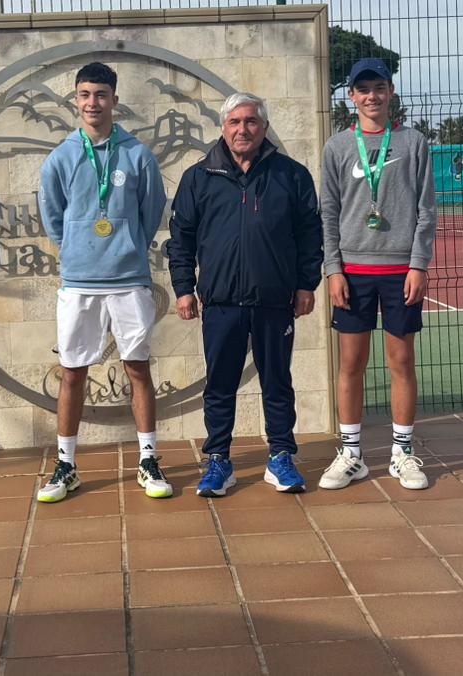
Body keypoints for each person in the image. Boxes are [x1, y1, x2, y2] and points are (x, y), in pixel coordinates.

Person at [168, 93, 322, 496]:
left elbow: (310, 235)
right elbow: (180, 239)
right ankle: (219, 460)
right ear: (223, 127)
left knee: (277, 383)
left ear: (264, 127)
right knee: (220, 386)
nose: (243, 129)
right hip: (221, 303)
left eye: (251, 121)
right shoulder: (198, 177)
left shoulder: (291, 175)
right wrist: (184, 289)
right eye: (235, 122)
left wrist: (306, 284)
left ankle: (281, 457)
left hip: (275, 301)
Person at [36, 62, 171, 502]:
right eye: (84, 95)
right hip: (80, 282)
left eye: (100, 94)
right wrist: (77, 248)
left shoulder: (137, 155)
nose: (92, 103)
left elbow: (151, 210)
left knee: (138, 369)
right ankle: (66, 465)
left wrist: (128, 246)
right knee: (72, 373)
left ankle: (148, 460)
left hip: (129, 279)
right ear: (75, 100)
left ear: (114, 99)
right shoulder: (61, 157)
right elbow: (52, 216)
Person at [318, 57, 438, 491]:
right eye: (363, 89)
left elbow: (426, 210)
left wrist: (418, 264)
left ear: (391, 92)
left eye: (379, 87)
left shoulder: (413, 142)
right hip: (352, 273)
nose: (372, 96)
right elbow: (328, 212)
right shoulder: (337, 147)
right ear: (351, 96)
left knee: (401, 361)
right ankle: (352, 454)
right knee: (351, 363)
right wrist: (333, 269)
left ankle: (402, 452)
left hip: (400, 272)